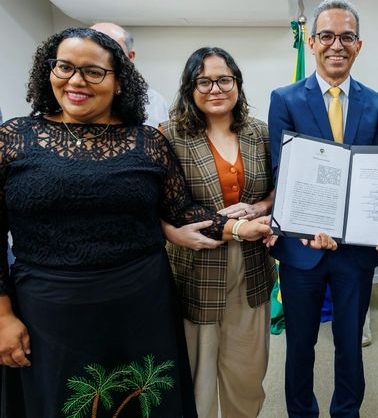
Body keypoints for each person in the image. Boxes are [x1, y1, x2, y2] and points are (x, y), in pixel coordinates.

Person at [0, 27, 276, 417]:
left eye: (93, 72)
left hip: (140, 306)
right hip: (49, 312)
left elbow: (180, 210)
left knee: (143, 403)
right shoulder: (13, 138)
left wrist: (239, 227)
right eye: (65, 67)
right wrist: (2, 316)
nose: (76, 81)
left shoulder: (146, 141)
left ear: (118, 81)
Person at [268, 0, 378, 418]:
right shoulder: (285, 99)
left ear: (359, 45)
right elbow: (282, 170)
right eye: (326, 36)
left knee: (350, 344)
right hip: (301, 248)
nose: (336, 45)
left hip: (355, 250)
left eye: (346, 36)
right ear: (311, 42)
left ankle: (346, 411)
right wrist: (307, 224)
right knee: (300, 344)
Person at [159, 47, 276, 418]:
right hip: (196, 269)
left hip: (252, 269)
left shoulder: (260, 133)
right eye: (204, 81)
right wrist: (174, 231)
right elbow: (163, 206)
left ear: (237, 83)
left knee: (248, 372)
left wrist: (262, 208)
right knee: (200, 378)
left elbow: (280, 189)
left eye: (225, 79)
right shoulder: (169, 136)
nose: (216, 89)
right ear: (190, 87)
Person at [91, 22, 170, 127]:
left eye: (111, 52)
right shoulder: (74, 92)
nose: (99, 59)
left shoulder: (153, 102)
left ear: (130, 57)